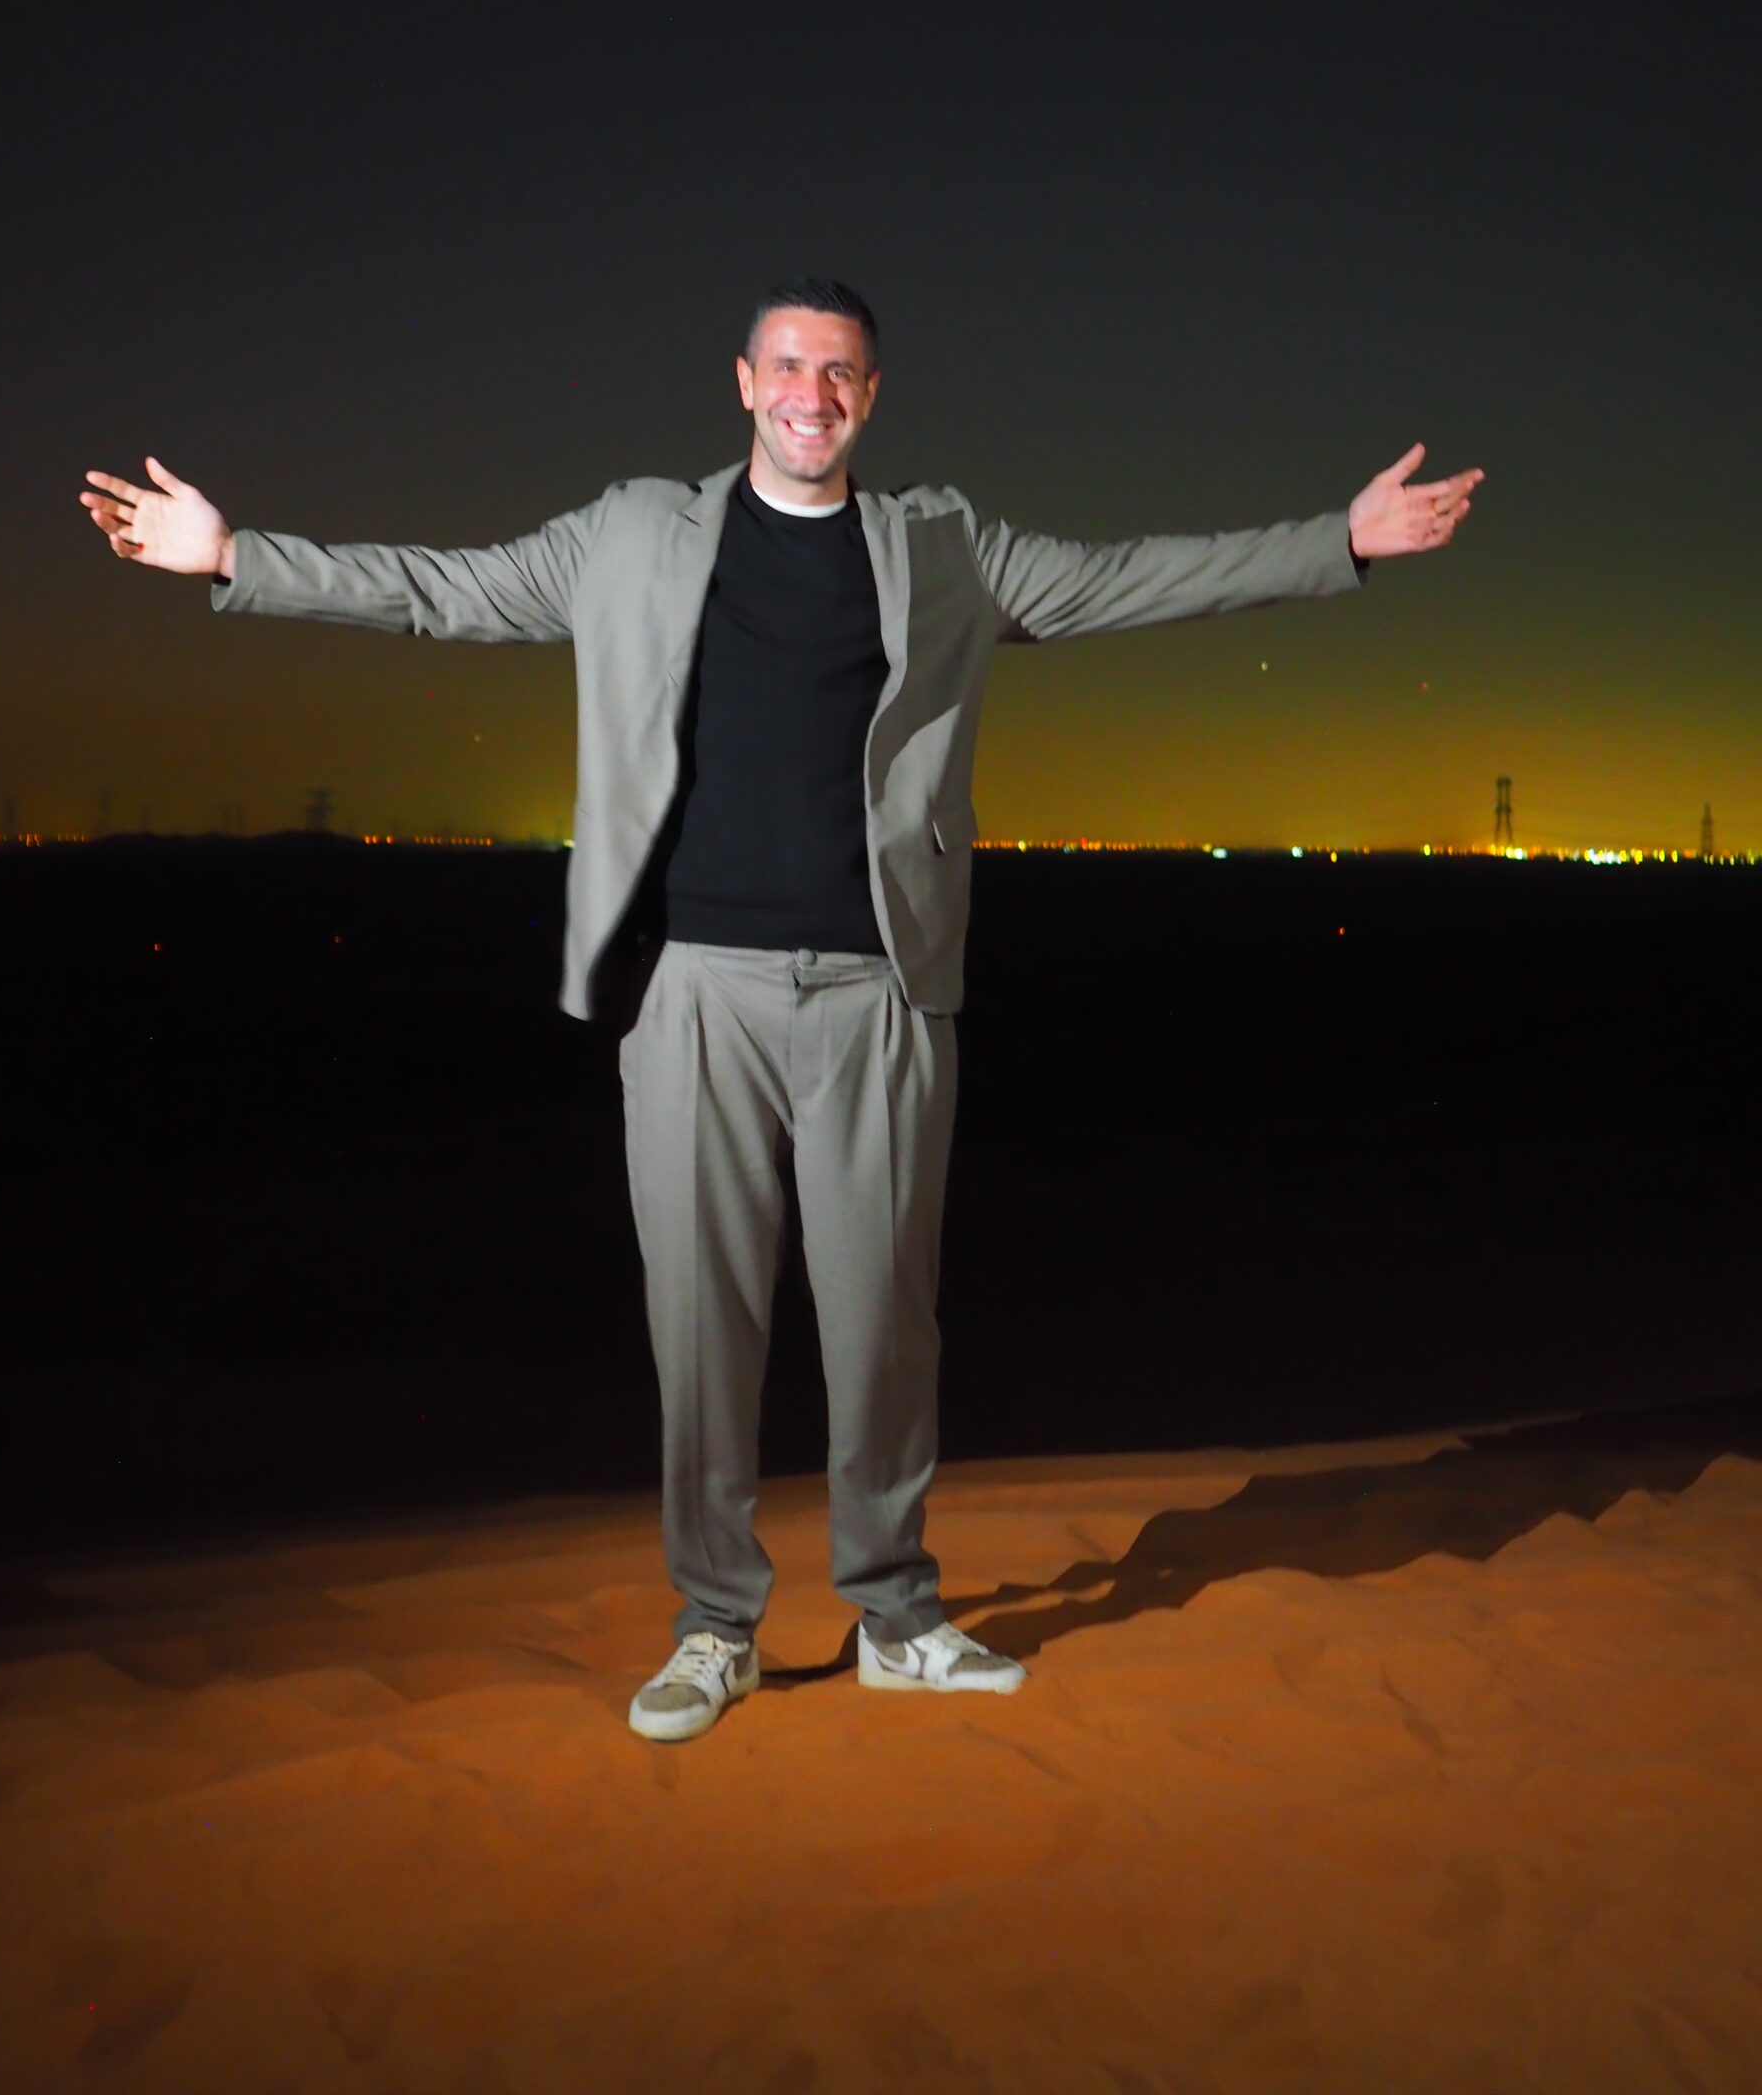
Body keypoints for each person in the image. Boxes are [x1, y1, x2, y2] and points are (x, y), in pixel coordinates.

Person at [81, 276, 1482, 1742]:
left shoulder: (943, 546)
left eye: (843, 371)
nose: (815, 393)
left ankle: (896, 1615)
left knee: (884, 1327)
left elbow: (1136, 575)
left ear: (871, 396)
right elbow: (443, 589)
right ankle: (715, 1627)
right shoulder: (631, 532)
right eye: (791, 367)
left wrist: (1338, 542)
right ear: (744, 383)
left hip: (884, 990)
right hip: (692, 992)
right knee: (702, 1328)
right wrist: (234, 554)